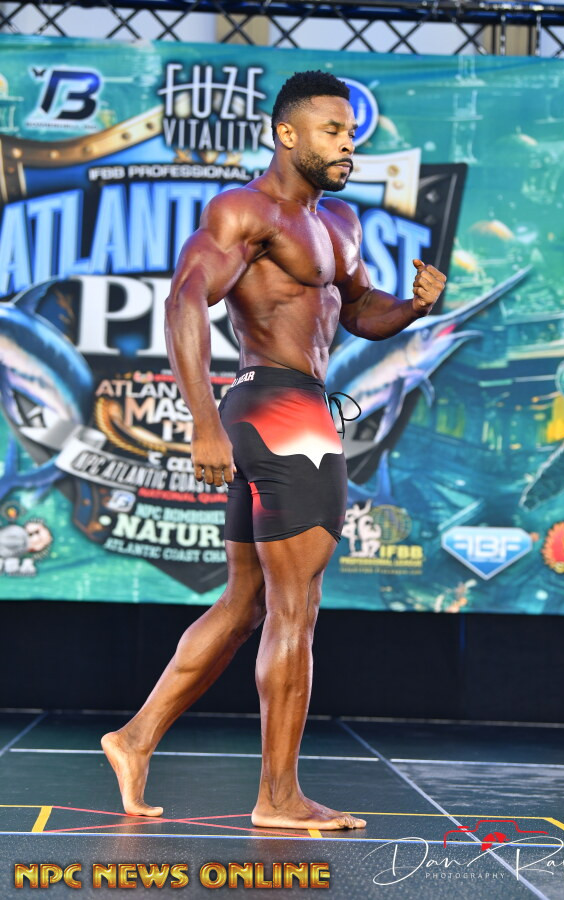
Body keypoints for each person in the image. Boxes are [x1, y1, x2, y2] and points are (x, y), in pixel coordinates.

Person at [102, 69, 446, 831]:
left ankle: (134, 739)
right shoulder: (244, 210)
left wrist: (415, 306)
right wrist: (202, 420)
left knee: (247, 603)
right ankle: (279, 798)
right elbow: (185, 297)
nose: (348, 144)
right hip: (281, 411)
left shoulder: (340, 223)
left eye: (352, 133)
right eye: (333, 131)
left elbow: (358, 310)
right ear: (286, 134)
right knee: (297, 610)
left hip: (286, 410)